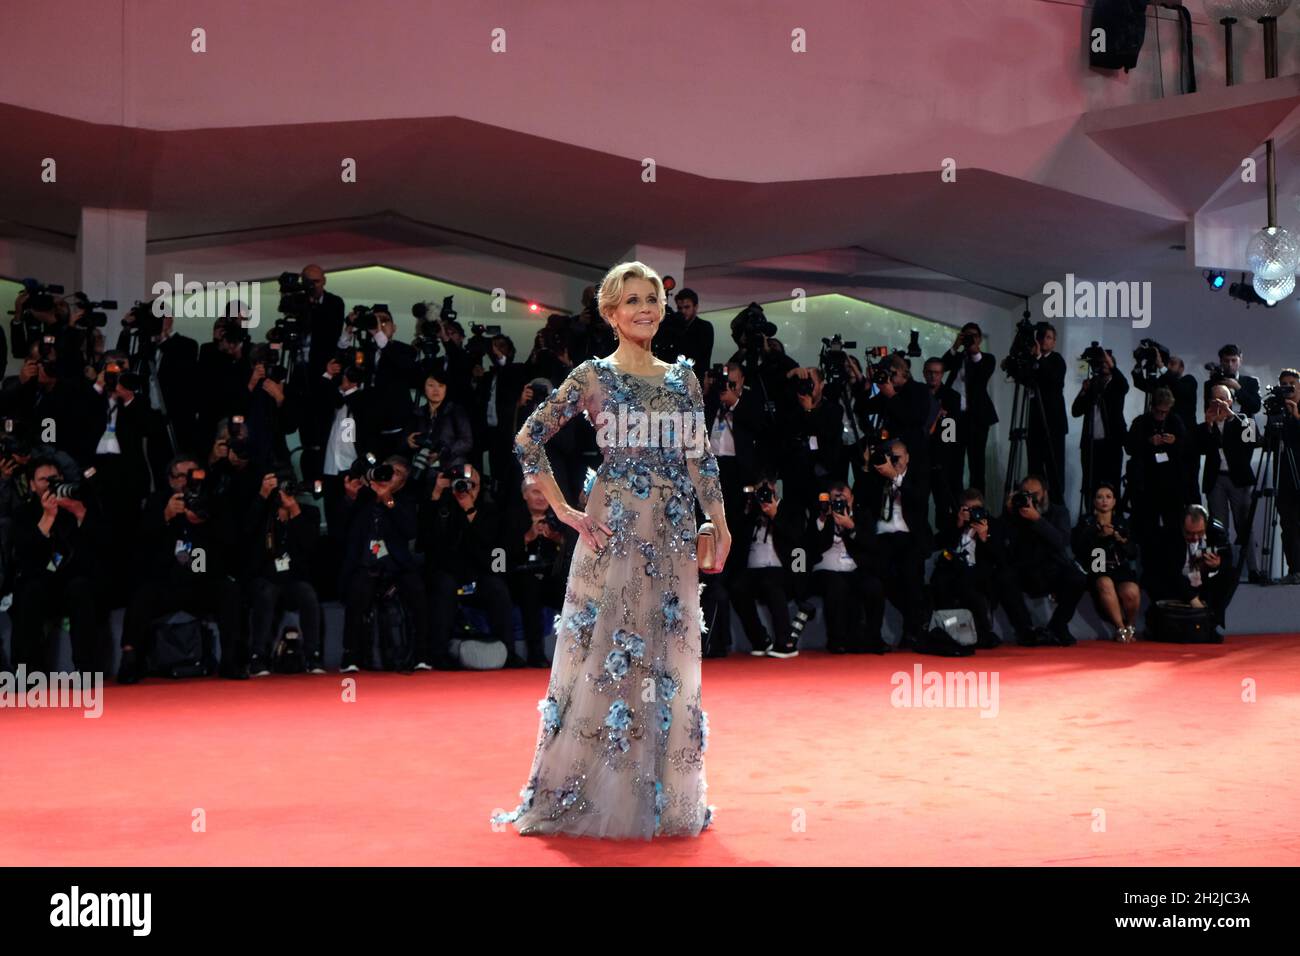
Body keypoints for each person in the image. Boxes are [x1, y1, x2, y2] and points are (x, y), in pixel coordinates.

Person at [492, 260, 728, 840]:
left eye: (652, 298)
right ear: (610, 313)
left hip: (672, 534)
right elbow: (528, 438)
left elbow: (699, 456)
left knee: (666, 660)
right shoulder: (592, 377)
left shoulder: (684, 379)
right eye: (632, 301)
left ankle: (661, 796)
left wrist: (718, 520)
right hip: (614, 532)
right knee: (608, 656)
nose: (646, 308)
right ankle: (589, 792)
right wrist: (564, 510)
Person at [996, 474, 1085, 646]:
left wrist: (1037, 519)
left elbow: (1061, 541)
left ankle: (1058, 626)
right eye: (1025, 494)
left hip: (1052, 569)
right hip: (1024, 570)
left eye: (1034, 494)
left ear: (1045, 492)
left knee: (1077, 578)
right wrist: (1008, 514)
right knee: (1003, 577)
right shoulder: (1014, 514)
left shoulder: (1059, 512)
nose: (1030, 499)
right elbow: (999, 539)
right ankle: (1025, 630)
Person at [1071, 482, 1140, 642]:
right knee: (1104, 582)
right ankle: (1120, 628)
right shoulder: (1086, 521)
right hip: (1098, 563)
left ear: (1114, 501)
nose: (1104, 501)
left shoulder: (1122, 522)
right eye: (1100, 497)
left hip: (1119, 566)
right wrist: (1099, 537)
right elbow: (1079, 548)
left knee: (1132, 591)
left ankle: (1130, 625)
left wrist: (1121, 541)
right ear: (1094, 501)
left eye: (1108, 497)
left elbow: (1132, 552)